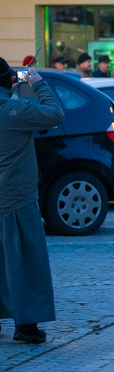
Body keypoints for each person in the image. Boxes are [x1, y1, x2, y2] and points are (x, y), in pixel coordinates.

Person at [0, 59, 64, 343]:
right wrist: (37, 84)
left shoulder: (11, 107)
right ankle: (25, 326)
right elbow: (54, 114)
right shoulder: (13, 110)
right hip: (16, 197)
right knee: (24, 262)